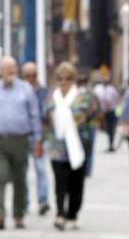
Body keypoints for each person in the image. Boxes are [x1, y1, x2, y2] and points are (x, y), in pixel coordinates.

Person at [0, 57, 44, 229]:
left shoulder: (26, 89)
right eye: (7, 68)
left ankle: (18, 215)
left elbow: (35, 116)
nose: (11, 71)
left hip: (20, 140)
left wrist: (38, 139)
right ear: (0, 70)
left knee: (19, 179)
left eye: (14, 67)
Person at [43, 62, 100, 230]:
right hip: (57, 146)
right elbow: (44, 120)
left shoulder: (84, 97)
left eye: (68, 78)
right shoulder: (51, 97)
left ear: (73, 79)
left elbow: (94, 117)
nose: (64, 82)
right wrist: (45, 138)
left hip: (78, 145)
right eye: (60, 78)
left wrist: (88, 136)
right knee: (60, 182)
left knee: (76, 182)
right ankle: (60, 214)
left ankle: (73, 213)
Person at [20, 62, 52, 216]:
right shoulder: (17, 91)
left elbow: (48, 116)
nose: (31, 78)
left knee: (41, 169)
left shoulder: (44, 93)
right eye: (27, 75)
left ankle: (43, 200)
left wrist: (42, 137)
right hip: (21, 136)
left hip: (39, 137)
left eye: (34, 75)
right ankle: (24, 203)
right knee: (22, 172)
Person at [92, 73, 121, 152]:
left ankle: (111, 145)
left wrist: (103, 113)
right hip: (114, 111)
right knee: (111, 129)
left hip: (109, 112)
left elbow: (108, 103)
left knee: (110, 129)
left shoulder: (108, 90)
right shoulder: (113, 89)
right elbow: (118, 101)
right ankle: (111, 145)